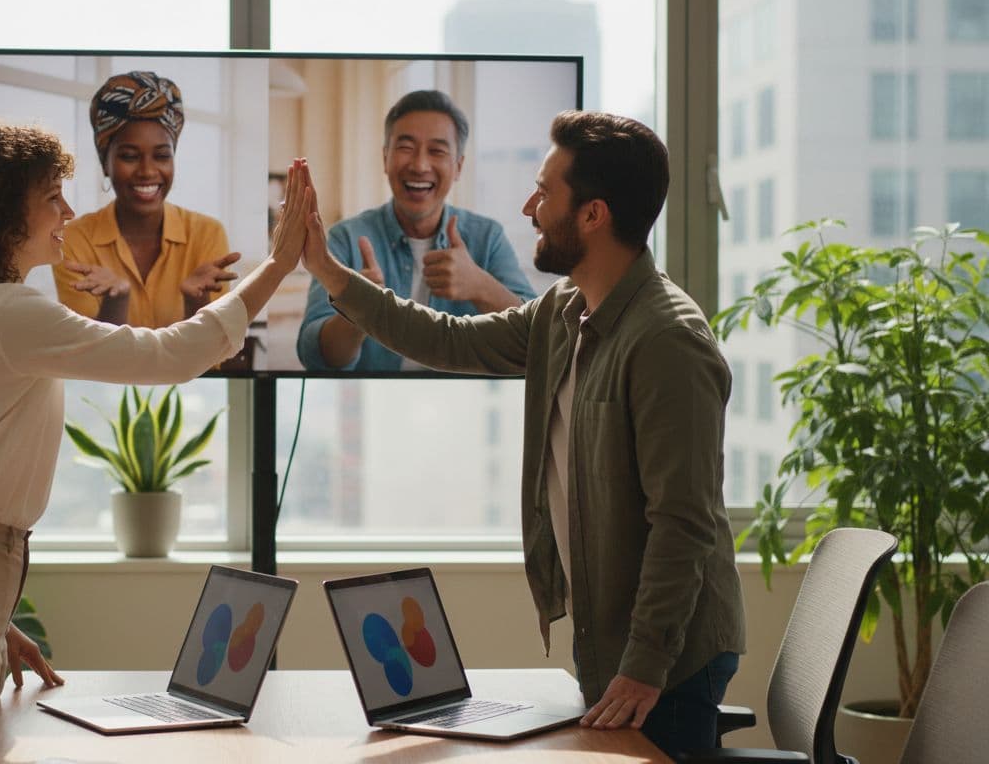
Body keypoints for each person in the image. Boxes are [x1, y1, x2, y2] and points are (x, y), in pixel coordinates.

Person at [0, 122, 314, 763]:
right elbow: (166, 356)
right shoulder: (8, 313)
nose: (70, 212)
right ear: (5, 211)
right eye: (52, 197)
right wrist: (276, 267)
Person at [296, 111, 747, 757]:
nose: (529, 206)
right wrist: (331, 273)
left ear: (592, 215)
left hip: (670, 661)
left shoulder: (668, 340)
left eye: (545, 191)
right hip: (613, 641)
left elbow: (685, 522)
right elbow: (446, 338)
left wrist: (646, 665)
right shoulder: (566, 309)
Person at [296, 89, 536, 371]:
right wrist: (359, 306)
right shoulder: (345, 238)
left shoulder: (487, 237)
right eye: (405, 148)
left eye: (437, 151)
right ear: (385, 158)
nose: (420, 165)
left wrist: (480, 285)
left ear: (458, 167)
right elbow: (315, 357)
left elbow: (540, 338)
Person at [53, 70, 240, 327]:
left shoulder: (207, 233)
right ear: (105, 164)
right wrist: (115, 302)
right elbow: (87, 357)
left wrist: (196, 302)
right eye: (129, 156)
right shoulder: (74, 238)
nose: (147, 171)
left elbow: (215, 356)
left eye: (162, 156)